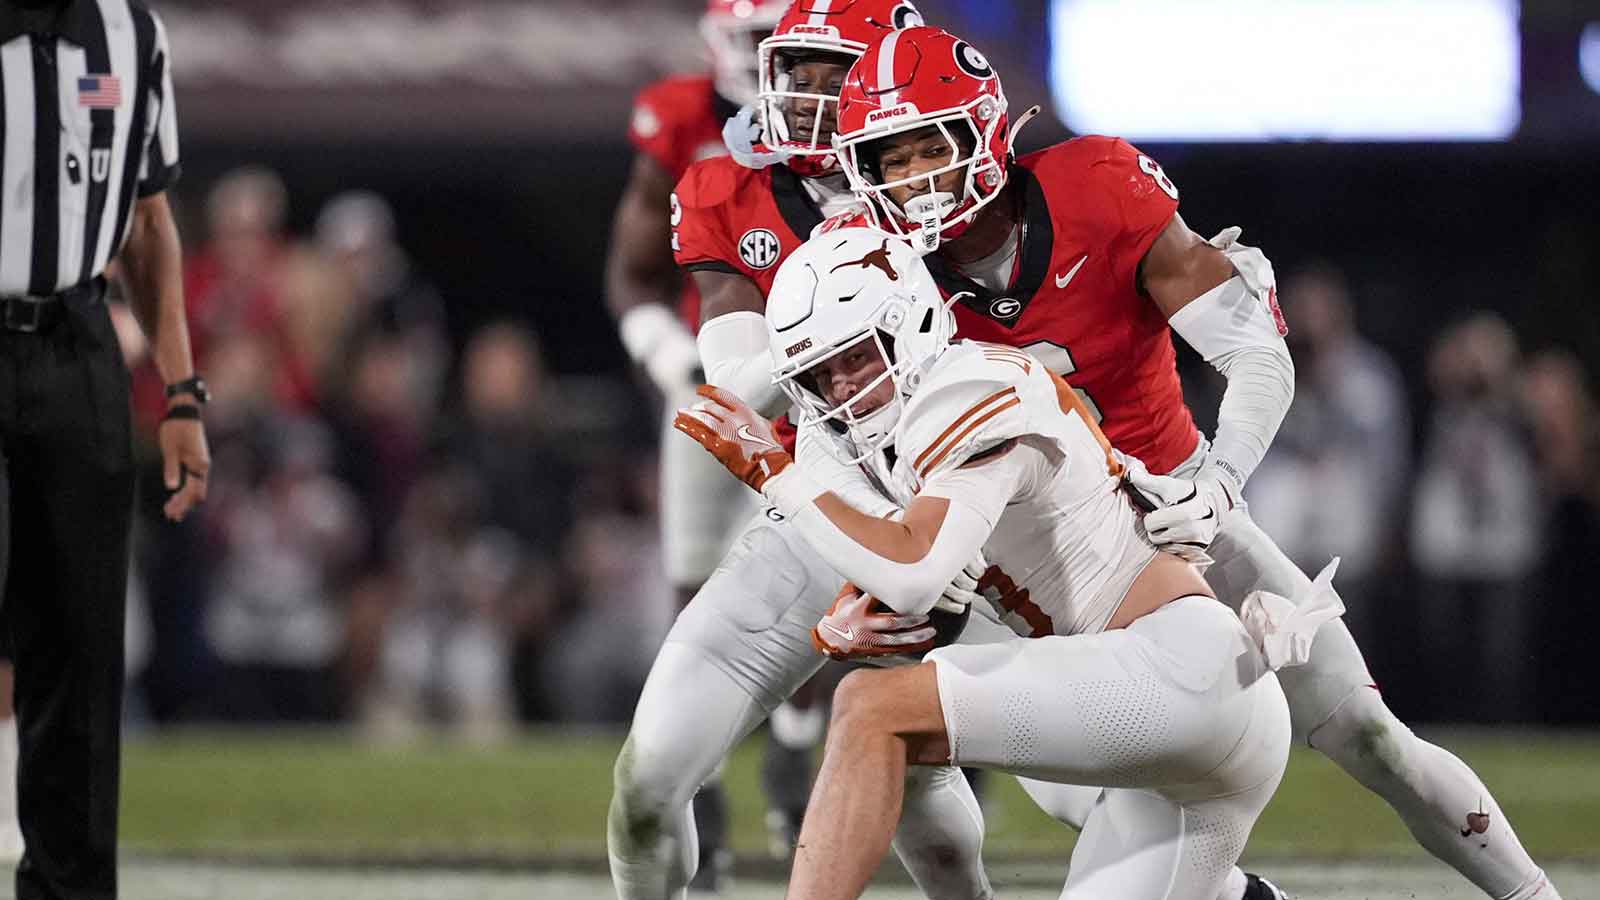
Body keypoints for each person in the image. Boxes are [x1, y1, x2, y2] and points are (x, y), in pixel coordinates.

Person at [826, 25, 1562, 900]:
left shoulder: (1098, 188)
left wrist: (1217, 481)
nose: (911, 179)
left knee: (1369, 735)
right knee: (1102, 804)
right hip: (1037, 574)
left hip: (1183, 525)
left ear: (985, 128)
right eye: (888, 159)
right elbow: (856, 438)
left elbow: (1257, 354)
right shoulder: (883, 277)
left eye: (926, 148)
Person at [673, 228, 1298, 900]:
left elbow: (914, 569)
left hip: (1181, 672)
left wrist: (776, 474)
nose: (843, 388)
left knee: (871, 708)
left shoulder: (970, 387)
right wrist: (856, 620)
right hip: (1166, 723)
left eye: (856, 357)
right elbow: (916, 594)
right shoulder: (876, 442)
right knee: (891, 718)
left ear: (911, 322)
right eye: (820, 376)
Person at [610, 5, 1037, 899]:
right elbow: (737, 387)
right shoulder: (726, 189)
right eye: (791, 69)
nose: (797, 92)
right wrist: (839, 294)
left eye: (822, 72)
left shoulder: (962, 190)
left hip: (957, 511)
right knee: (647, 786)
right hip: (816, 506)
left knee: (956, 794)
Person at [1, 2, 208, 898]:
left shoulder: (134, 34)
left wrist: (182, 394)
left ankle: (71, 888)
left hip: (81, 339)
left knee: (80, 646)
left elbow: (151, 224)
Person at [603, 0, 786, 881]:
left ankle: (802, 752)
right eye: (755, 42)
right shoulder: (682, 122)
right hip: (716, 383)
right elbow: (635, 272)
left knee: (841, 579)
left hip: (830, 391)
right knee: (695, 577)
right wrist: (674, 360)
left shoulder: (854, 122)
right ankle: (701, 785)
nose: (773, 63)